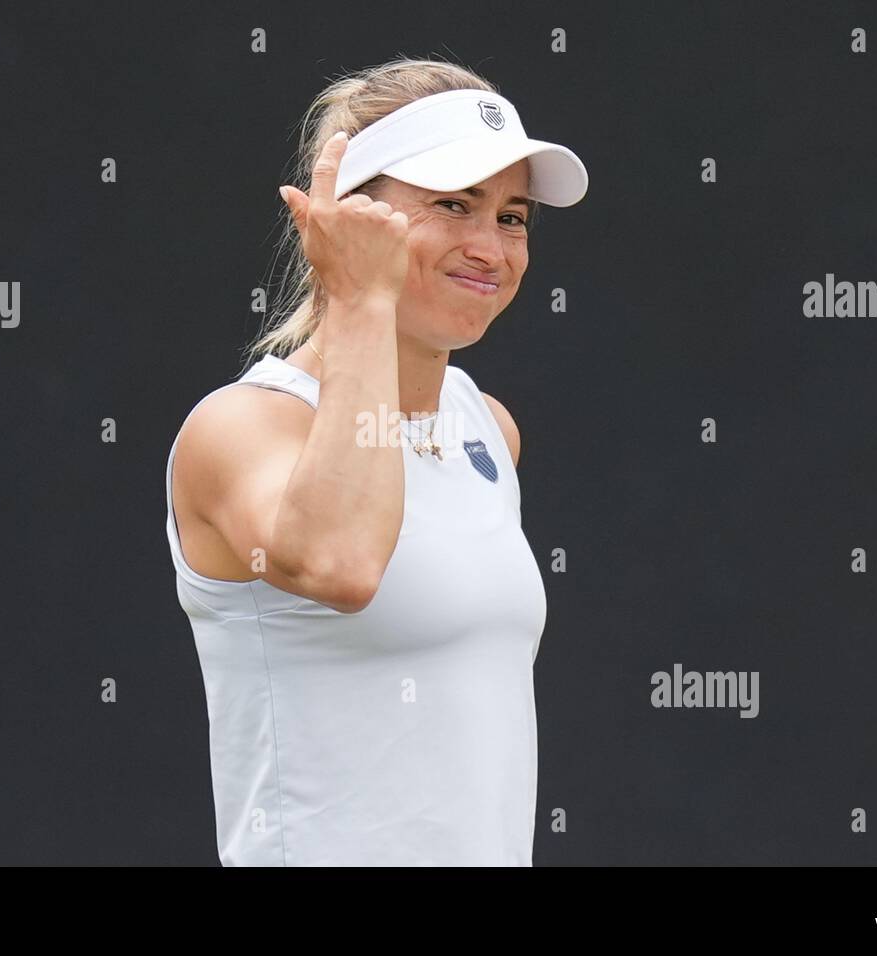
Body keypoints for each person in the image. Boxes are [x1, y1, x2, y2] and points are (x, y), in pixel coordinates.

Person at [162, 58, 588, 865]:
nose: (488, 246)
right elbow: (343, 563)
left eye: (512, 216)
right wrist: (360, 299)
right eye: (452, 204)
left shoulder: (487, 428)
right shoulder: (240, 427)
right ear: (345, 220)